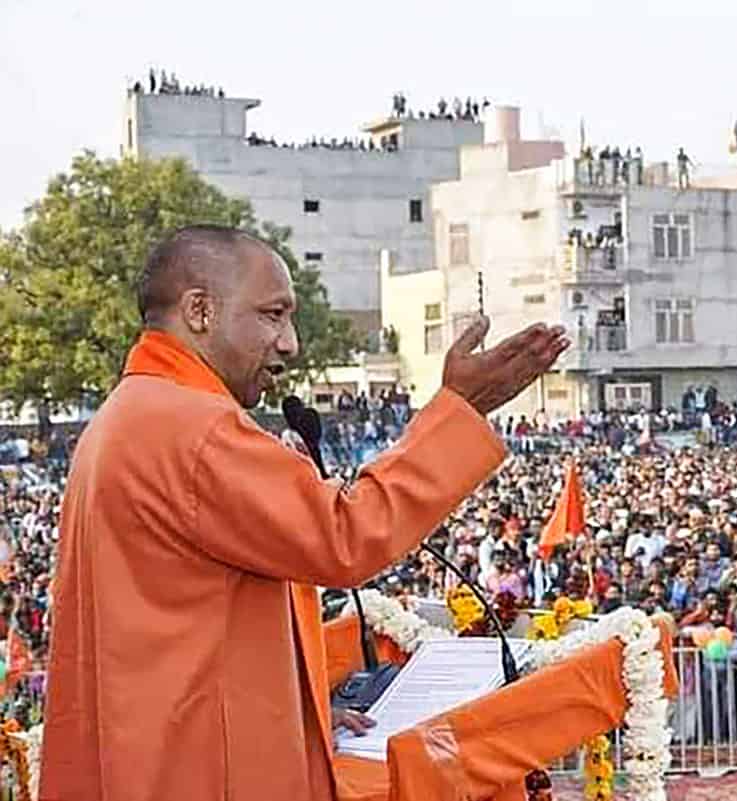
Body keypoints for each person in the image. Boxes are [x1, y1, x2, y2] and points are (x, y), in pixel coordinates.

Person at [39, 225, 569, 801]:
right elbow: (347, 535)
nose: (290, 342)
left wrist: (298, 719)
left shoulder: (130, 413)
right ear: (199, 310)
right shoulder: (192, 426)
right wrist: (461, 410)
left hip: (154, 753)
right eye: (271, 315)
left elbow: (185, 631)